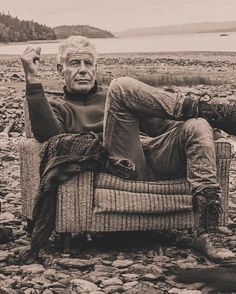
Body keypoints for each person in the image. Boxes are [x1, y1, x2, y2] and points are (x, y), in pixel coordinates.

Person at [20, 35, 236, 263]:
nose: (83, 70)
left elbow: (165, 126)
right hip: (116, 164)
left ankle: (207, 230)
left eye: (88, 63)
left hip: (150, 157)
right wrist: (32, 79)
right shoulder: (58, 105)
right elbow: (50, 138)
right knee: (120, 86)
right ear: (59, 69)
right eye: (75, 63)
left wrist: (206, 133)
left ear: (95, 68)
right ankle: (210, 110)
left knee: (198, 124)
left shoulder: (120, 100)